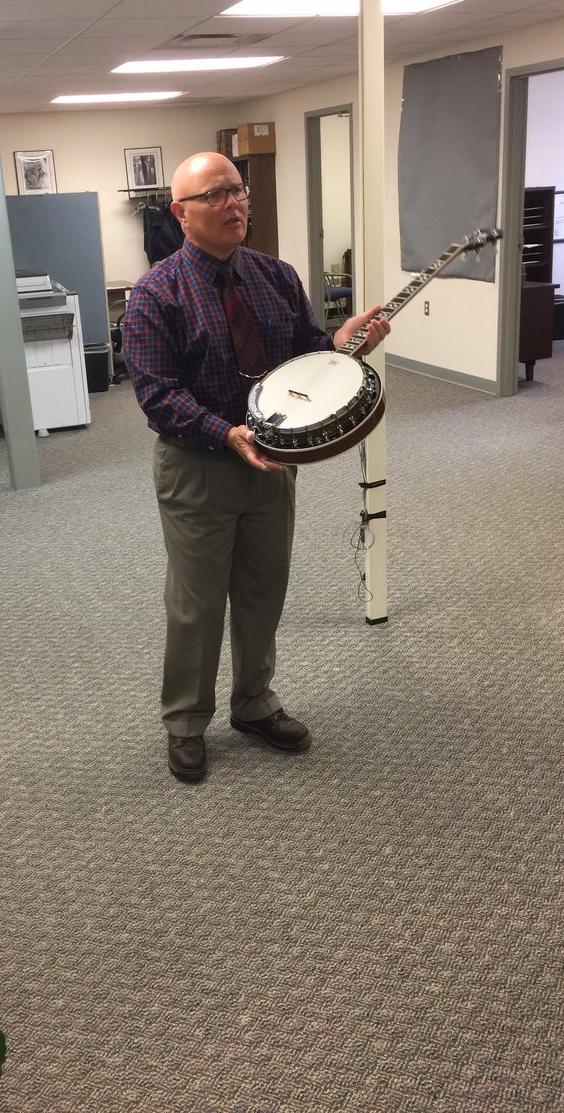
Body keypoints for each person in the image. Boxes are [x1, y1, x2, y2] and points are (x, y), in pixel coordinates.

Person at [124, 152, 389, 783]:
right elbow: (157, 395)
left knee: (263, 589)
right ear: (181, 214)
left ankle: (254, 703)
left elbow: (303, 357)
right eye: (213, 196)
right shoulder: (155, 294)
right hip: (198, 465)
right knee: (196, 602)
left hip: (271, 462)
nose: (232, 204)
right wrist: (226, 432)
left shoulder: (275, 275)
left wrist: (341, 344)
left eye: (237, 191)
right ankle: (186, 722)